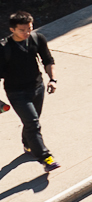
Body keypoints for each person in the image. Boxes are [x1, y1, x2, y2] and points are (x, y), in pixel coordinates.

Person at [2, 12, 57, 170]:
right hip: (16, 92)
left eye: (29, 28)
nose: (27, 33)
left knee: (32, 122)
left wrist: (52, 79)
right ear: (12, 29)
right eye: (22, 30)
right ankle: (46, 158)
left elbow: (48, 60)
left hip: (37, 87)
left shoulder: (36, 38)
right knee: (33, 123)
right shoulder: (4, 48)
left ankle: (28, 145)